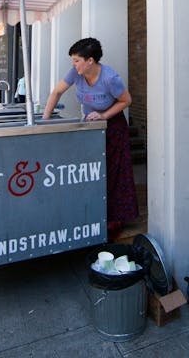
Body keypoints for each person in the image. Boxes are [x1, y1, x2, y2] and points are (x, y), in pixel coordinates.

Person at [42, 38, 138, 240]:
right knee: (92, 170)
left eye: (77, 60)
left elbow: (126, 100)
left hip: (113, 127)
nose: (73, 64)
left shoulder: (111, 78)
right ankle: (92, 212)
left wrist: (103, 116)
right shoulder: (75, 74)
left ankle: (115, 217)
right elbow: (57, 92)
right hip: (90, 127)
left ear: (90, 61)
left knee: (113, 173)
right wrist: (43, 122)